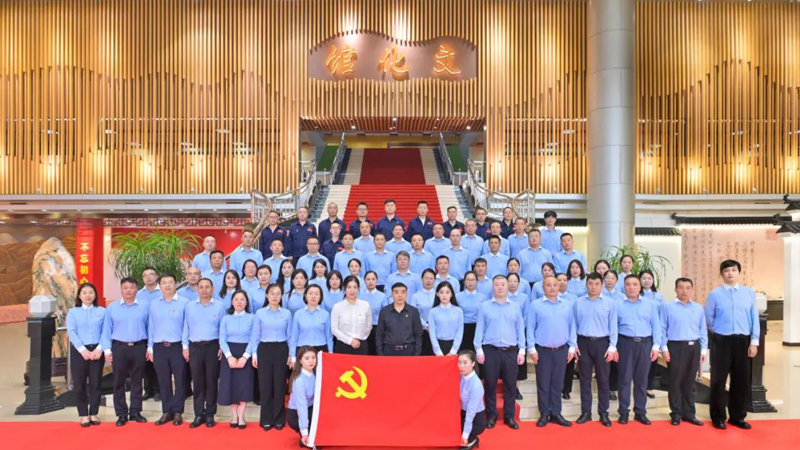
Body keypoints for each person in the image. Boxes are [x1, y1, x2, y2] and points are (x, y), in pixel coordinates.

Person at [705, 259, 759, 430]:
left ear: (738, 272)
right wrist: (719, 331)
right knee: (718, 381)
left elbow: (754, 318)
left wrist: (754, 342)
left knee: (741, 381)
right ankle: (718, 417)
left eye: (733, 270)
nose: (730, 273)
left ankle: (737, 417)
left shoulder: (748, 293)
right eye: (726, 271)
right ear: (721, 274)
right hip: (721, 341)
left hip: (743, 341)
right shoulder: (715, 294)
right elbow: (709, 319)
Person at [474, 275, 525, 430]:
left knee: (510, 384)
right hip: (491, 350)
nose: (500, 287)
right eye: (497, 284)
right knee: (490, 384)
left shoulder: (515, 306)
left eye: (503, 284)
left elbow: (520, 329)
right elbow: (480, 328)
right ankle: (491, 415)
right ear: (492, 287)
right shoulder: (485, 306)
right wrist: (478, 349)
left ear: (507, 286)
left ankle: (509, 416)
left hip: (510, 351)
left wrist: (522, 350)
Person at [527, 276, 576, 427]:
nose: (552, 288)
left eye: (555, 285)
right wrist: (531, 349)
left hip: (561, 350)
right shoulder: (535, 305)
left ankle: (556, 413)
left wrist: (572, 347)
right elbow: (530, 328)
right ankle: (544, 413)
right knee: (543, 383)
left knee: (558, 383)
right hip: (543, 350)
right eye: (549, 285)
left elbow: (572, 326)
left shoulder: (566, 305)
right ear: (543, 287)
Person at [101, 277, 150, 426]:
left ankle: (135, 412)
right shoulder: (112, 307)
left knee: (137, 381)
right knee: (118, 382)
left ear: (137, 289)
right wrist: (107, 350)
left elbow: (151, 327)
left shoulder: (145, 306)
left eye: (132, 287)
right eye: (125, 288)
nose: (129, 291)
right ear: (121, 290)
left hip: (139, 346)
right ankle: (121, 414)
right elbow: (106, 330)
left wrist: (150, 347)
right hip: (119, 347)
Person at [616, 274, 661, 425]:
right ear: (624, 287)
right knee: (624, 379)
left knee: (642, 380)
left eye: (635, 284)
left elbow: (656, 326)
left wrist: (656, 346)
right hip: (625, 344)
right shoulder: (618, 305)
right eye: (628, 284)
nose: (631, 287)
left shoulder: (650, 304)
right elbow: (613, 327)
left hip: (645, 344)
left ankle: (640, 412)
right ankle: (623, 412)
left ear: (640, 286)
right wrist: (613, 347)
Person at [573, 272, 617, 427]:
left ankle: (603, 413)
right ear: (586, 285)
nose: (593, 287)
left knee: (603, 380)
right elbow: (573, 325)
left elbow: (613, 327)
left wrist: (612, 347)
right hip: (583, 343)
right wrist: (574, 345)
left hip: (602, 344)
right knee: (584, 379)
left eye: (597, 284)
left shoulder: (610, 303)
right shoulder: (578, 302)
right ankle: (586, 412)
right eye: (590, 284)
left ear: (602, 285)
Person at [662, 277, 707, 427]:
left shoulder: (698, 308)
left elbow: (703, 330)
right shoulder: (668, 307)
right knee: (675, 381)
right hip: (675, 347)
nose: (684, 291)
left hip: (694, 347)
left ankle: (689, 413)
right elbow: (662, 328)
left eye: (688, 288)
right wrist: (664, 348)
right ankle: (676, 413)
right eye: (681, 287)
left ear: (692, 290)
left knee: (690, 382)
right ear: (675, 289)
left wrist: (703, 349)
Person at [183, 278, 225, 428]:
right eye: (201, 287)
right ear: (197, 289)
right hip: (195, 347)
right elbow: (186, 327)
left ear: (212, 289)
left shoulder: (219, 306)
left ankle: (210, 414)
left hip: (213, 346)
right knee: (198, 381)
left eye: (207, 287)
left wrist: (222, 346)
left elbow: (223, 328)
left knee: (212, 381)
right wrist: (185, 346)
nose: (204, 290)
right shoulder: (190, 306)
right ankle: (199, 414)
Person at [251, 283, 293, 431]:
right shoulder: (260, 313)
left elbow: (290, 336)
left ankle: (279, 418)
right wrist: (254, 354)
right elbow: (255, 336)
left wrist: (291, 354)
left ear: (281, 296)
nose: (275, 296)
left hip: (281, 349)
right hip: (265, 349)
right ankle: (266, 419)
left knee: (280, 385)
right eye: (272, 293)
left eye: (278, 293)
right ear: (266, 295)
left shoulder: (287, 314)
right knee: (265, 385)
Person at [147, 273, 187, 426]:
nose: (168, 285)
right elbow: (151, 326)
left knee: (180, 380)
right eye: (164, 283)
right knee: (163, 380)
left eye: (170, 282)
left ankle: (178, 412)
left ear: (176, 284)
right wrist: (150, 348)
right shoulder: (154, 304)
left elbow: (187, 326)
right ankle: (166, 411)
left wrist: (185, 346)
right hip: (159, 347)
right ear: (160, 286)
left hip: (177, 346)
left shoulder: (184, 303)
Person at [66, 283, 106, 427]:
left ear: (95, 295)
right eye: (84, 293)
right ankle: (83, 414)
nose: (88, 295)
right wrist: (83, 350)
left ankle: (93, 413)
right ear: (79, 295)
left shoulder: (102, 311)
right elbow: (71, 331)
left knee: (96, 383)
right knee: (79, 384)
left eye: (91, 292)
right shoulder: (73, 312)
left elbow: (106, 331)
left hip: (97, 350)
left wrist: (99, 349)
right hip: (79, 351)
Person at [219, 290, 256, 429]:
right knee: (231, 385)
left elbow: (254, 338)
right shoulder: (226, 319)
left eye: (242, 299)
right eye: (236, 299)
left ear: (246, 302)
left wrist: (245, 357)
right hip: (229, 353)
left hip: (246, 353)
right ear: (232, 302)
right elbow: (222, 339)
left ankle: (242, 416)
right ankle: (234, 415)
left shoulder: (252, 318)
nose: (239, 302)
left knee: (244, 385)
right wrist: (229, 356)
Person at [376, 283, 423, 356]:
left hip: (408, 351)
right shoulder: (384, 311)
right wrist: (380, 353)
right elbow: (379, 333)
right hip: (389, 351)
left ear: (406, 294)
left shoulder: (413, 311)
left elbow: (418, 333)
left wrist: (416, 353)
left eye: (403, 292)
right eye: (396, 292)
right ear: (392, 294)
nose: (400, 295)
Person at [330, 276, 372, 355]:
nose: (352, 290)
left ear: (358, 289)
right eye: (349, 287)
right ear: (344, 288)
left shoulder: (365, 305)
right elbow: (334, 329)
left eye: (355, 287)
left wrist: (361, 338)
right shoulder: (337, 307)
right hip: (343, 345)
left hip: (361, 345)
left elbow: (369, 326)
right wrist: (350, 341)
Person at [289, 285, 333, 361]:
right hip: (303, 349)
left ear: (320, 297)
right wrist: (292, 355)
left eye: (316, 294)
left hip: (321, 349)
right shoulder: (298, 314)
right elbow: (294, 337)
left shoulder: (325, 314)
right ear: (305, 296)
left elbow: (329, 337)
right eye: (310, 293)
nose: (313, 296)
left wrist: (330, 353)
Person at [640, 269, 665, 398]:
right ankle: (639, 386)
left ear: (653, 280)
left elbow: (662, 315)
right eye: (643, 278)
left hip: (654, 331)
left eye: (649, 278)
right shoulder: (637, 295)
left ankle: (649, 387)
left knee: (652, 360)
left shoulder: (658, 296)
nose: (646, 281)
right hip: (641, 332)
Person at [287, 346, 317, 448]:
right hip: (297, 412)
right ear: (300, 360)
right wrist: (304, 432)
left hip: (311, 408)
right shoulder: (299, 381)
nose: (311, 361)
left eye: (313, 357)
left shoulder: (315, 373)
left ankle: (309, 434)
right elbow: (301, 407)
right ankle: (304, 434)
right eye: (307, 358)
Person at [459, 350, 486, 449]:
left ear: (473, 363)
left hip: (475, 419)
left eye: (465, 363)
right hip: (462, 413)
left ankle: (472, 438)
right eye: (459, 362)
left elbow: (471, 412)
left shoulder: (476, 385)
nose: (461, 366)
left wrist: (465, 435)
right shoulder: (462, 376)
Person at [428, 282, 464, 356]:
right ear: (437, 294)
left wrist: (453, 351)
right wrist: (438, 352)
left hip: (454, 347)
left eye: (447, 292)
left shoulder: (458, 311)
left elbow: (460, 332)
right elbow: (432, 333)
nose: (444, 295)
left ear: (451, 294)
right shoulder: (433, 311)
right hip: (438, 347)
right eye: (441, 292)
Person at [410, 269, 437, 355]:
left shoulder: (439, 295)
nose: (428, 281)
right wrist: (426, 326)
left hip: (437, 329)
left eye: (431, 278)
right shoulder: (415, 296)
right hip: (421, 330)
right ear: (422, 279)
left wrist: (433, 326)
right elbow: (414, 314)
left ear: (434, 280)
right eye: (426, 278)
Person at [459, 272, 487, 353]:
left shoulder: (482, 297)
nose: (470, 282)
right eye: (468, 280)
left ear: (477, 281)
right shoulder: (458, 297)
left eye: (472, 280)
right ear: (464, 281)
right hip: (463, 328)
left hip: (478, 327)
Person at [361, 271, 388, 354]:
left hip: (377, 328)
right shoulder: (359, 294)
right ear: (364, 281)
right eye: (368, 279)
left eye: (373, 279)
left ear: (377, 280)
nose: (371, 281)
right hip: (362, 328)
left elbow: (385, 315)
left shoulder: (382, 296)